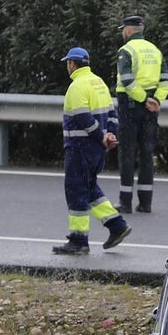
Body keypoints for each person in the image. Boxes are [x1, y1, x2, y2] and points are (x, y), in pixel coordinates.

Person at [53, 47, 131, 256]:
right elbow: (111, 112)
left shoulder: (77, 86)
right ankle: (117, 226)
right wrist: (110, 134)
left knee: (75, 189)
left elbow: (82, 117)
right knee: (88, 187)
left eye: (67, 63)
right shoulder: (99, 83)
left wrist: (100, 136)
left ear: (72, 64)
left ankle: (78, 241)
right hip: (97, 148)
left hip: (80, 147)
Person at [115, 15, 168, 214]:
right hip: (151, 109)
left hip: (131, 106)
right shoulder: (155, 51)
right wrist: (155, 100)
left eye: (124, 29)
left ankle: (125, 202)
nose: (123, 32)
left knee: (127, 152)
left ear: (129, 30)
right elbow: (166, 80)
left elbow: (127, 80)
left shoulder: (126, 50)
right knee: (147, 153)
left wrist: (142, 99)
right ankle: (146, 203)